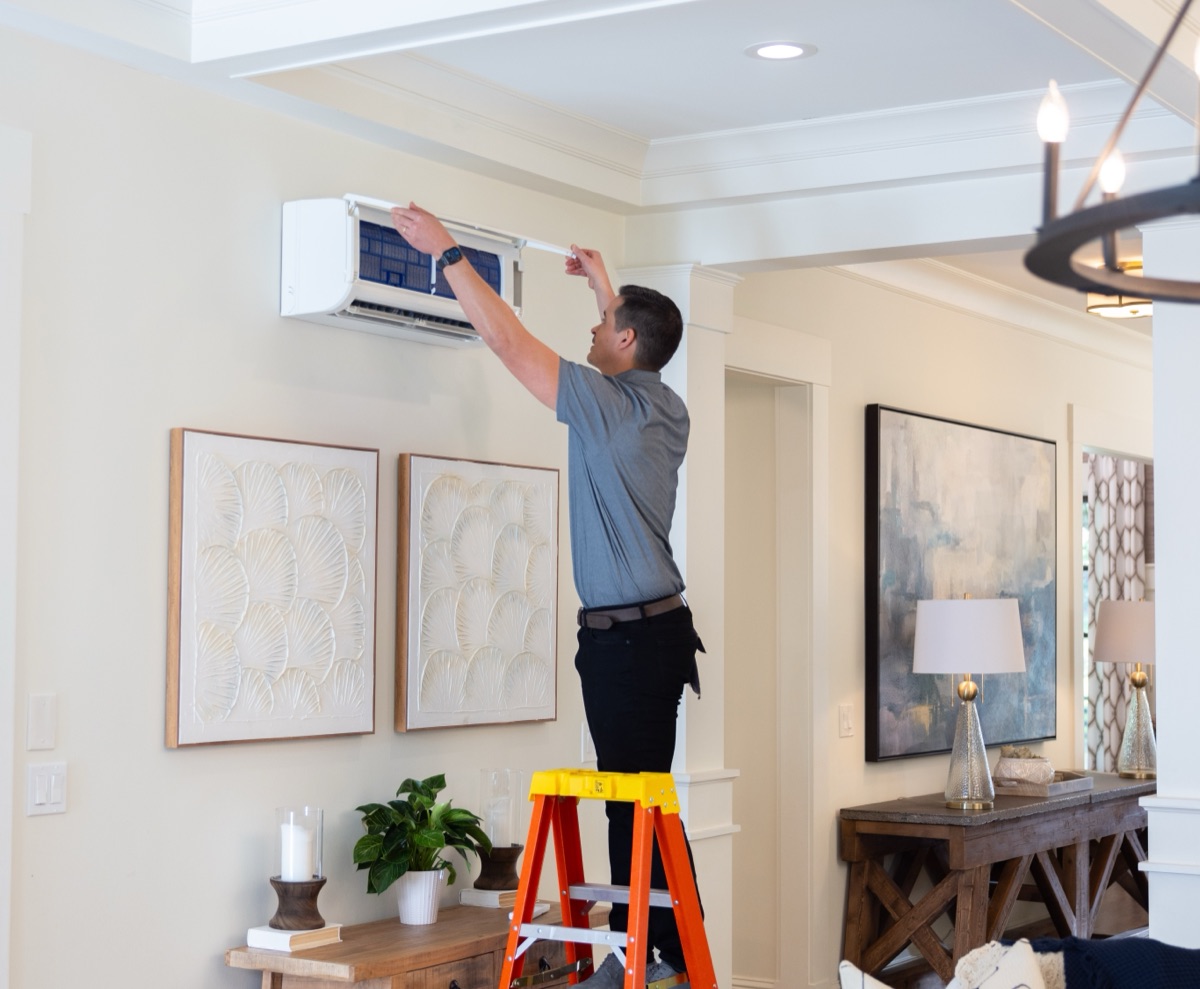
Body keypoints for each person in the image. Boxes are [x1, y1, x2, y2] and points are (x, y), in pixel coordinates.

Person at [390, 204, 704, 989]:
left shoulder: (604, 409)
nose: (593, 338)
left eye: (604, 329)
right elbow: (620, 345)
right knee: (644, 804)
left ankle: (653, 964)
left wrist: (447, 250)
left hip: (628, 643)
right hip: (654, 634)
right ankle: (656, 956)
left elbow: (506, 341)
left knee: (632, 810)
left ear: (628, 342)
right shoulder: (664, 405)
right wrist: (605, 288)